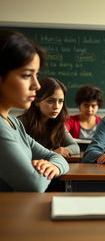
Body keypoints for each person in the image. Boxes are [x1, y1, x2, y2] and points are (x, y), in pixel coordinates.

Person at [0, 30, 69, 192]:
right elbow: (34, 185)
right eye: (26, 75)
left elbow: (56, 157)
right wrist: (48, 168)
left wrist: (54, 166)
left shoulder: (13, 121)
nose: (36, 86)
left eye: (36, 75)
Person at [19, 77, 80, 158]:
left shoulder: (58, 124)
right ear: (37, 102)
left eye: (60, 101)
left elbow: (75, 147)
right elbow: (20, 153)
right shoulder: (20, 123)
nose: (56, 106)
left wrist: (65, 150)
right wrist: (52, 153)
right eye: (51, 101)